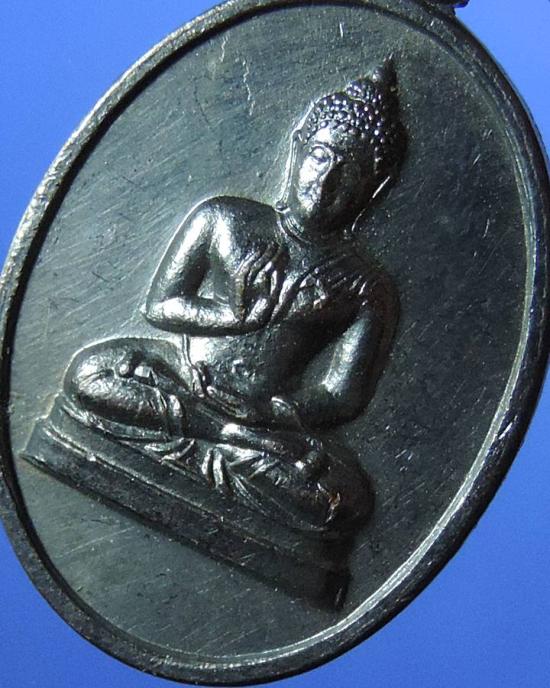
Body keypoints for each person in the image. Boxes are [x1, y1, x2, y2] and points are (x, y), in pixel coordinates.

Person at [61, 62, 406, 535]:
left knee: (345, 503)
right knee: (89, 374)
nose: (326, 180)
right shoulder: (223, 217)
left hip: (263, 418)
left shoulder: (366, 286)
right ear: (298, 147)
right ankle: (221, 436)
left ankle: (217, 439)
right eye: (320, 156)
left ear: (375, 185)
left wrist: (272, 412)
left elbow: (342, 396)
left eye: (349, 173)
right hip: (183, 376)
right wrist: (232, 317)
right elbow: (160, 306)